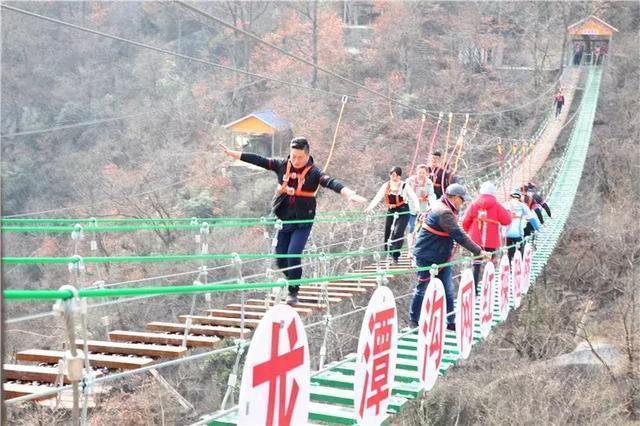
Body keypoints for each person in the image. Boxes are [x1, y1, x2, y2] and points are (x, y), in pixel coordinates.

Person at [219, 137, 367, 305]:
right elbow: (259, 160)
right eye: (293, 156)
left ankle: (293, 292)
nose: (296, 161)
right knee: (281, 259)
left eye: (300, 157)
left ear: (307, 155)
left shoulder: (313, 173)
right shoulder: (282, 165)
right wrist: (234, 154)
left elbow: (330, 182)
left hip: (303, 222)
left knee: (293, 254)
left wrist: (348, 193)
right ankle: (295, 279)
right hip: (284, 219)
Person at [409, 183, 491, 330]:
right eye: (462, 199)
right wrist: (479, 251)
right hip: (428, 255)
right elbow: (459, 236)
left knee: (448, 290)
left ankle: (451, 322)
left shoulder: (441, 206)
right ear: (454, 197)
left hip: (440, 256)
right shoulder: (444, 212)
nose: (463, 202)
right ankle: (414, 320)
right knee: (423, 287)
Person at [462, 181, 512, 295]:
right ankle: (489, 287)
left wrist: (468, 231)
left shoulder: (474, 204)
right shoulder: (497, 205)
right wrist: (508, 212)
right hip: (491, 239)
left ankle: (474, 288)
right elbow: (507, 221)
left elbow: (465, 221)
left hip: (475, 239)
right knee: (490, 262)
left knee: (476, 263)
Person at [366, 166, 420, 264]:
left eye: (396, 176)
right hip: (391, 210)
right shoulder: (386, 185)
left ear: (400, 176)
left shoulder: (404, 186)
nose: (394, 178)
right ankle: (388, 253)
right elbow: (378, 197)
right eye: (392, 175)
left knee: (398, 232)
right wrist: (369, 208)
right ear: (390, 175)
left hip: (403, 210)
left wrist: (417, 208)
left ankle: (395, 255)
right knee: (388, 232)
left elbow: (414, 197)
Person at [405, 164, 437, 253]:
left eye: (423, 173)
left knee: (421, 229)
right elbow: (404, 194)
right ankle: (410, 249)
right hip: (412, 209)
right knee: (411, 228)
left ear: (426, 173)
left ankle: (419, 248)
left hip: (423, 209)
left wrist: (432, 204)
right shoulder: (410, 181)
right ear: (416, 172)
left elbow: (431, 194)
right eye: (419, 172)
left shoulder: (429, 182)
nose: (421, 174)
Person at [503, 190, 541, 263]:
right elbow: (531, 218)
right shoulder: (522, 205)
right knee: (520, 250)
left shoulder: (505, 205)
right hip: (518, 233)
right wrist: (537, 228)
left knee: (509, 251)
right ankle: (520, 265)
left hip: (507, 233)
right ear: (519, 197)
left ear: (511, 197)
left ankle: (509, 267)